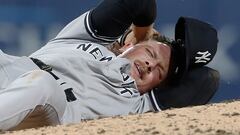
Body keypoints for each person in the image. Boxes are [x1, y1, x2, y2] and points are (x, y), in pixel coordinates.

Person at [0, 0, 219, 131]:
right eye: (150, 52)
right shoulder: (84, 39)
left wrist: (187, 61)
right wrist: (142, 31)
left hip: (51, 108)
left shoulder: (139, 104)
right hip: (10, 72)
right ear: (129, 45)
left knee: (42, 84)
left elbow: (208, 80)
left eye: (159, 71)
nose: (150, 64)